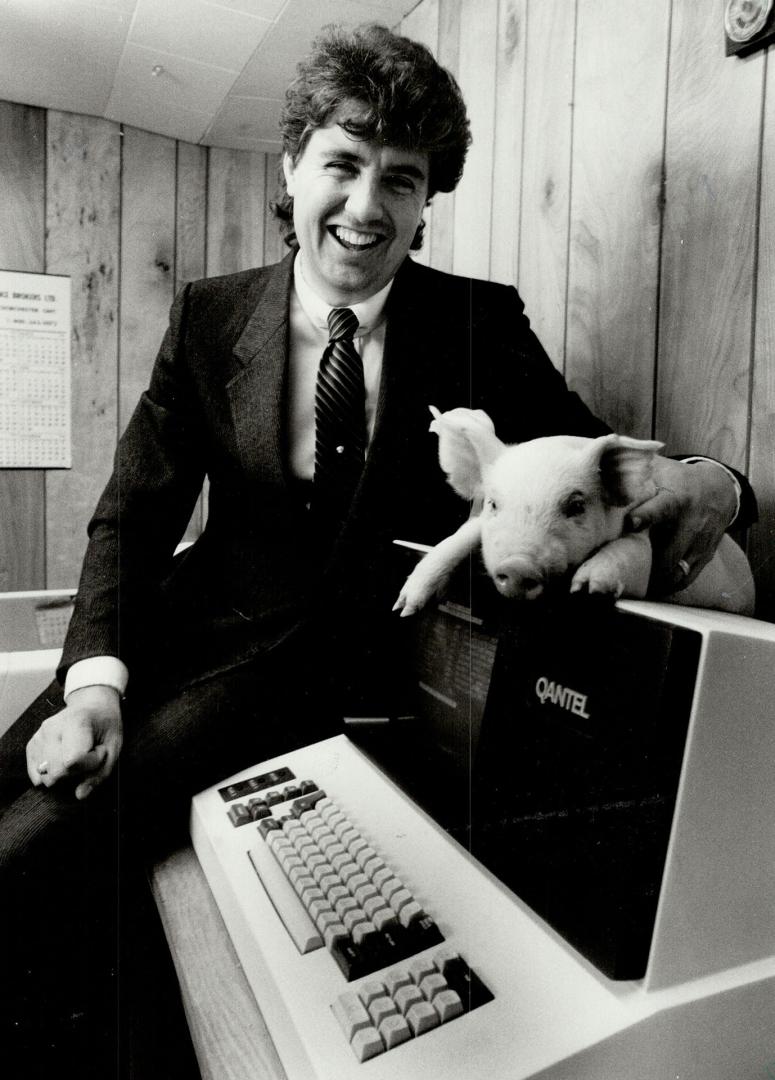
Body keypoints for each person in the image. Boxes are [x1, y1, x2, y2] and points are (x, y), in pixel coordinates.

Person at [0, 21, 756, 1077]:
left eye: (399, 180)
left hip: (309, 681)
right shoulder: (212, 318)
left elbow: (601, 459)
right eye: (343, 166)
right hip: (176, 622)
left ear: (425, 199)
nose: (365, 208)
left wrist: (720, 483)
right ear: (293, 165)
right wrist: (94, 682)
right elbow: (132, 513)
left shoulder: (477, 325)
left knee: (31, 851)